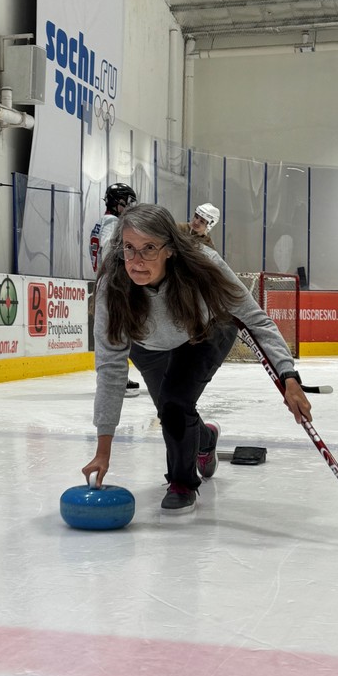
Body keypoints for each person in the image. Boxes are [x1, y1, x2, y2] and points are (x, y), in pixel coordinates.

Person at [82, 204, 311, 513]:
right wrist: (103, 450)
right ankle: (205, 438)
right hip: (149, 346)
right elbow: (110, 369)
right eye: (129, 248)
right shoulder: (113, 285)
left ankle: (182, 481)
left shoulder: (205, 265)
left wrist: (289, 376)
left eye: (149, 248)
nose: (136, 261)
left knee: (175, 402)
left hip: (205, 333)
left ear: (170, 250)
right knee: (170, 409)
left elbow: (256, 321)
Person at [89, 182, 140, 397]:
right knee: (115, 334)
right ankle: (115, 381)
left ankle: (118, 378)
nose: (130, 206)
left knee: (116, 333)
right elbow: (110, 249)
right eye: (127, 202)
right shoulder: (112, 223)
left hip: (105, 282)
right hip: (112, 283)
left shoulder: (102, 222)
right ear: (118, 202)